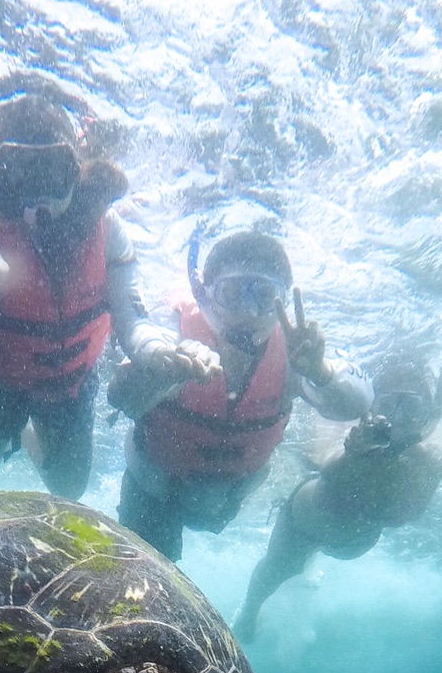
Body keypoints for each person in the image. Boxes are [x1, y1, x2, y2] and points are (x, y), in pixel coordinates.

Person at [0, 85, 207, 515]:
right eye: (22, 172)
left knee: (71, 486)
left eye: (53, 171)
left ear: (78, 171)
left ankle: (25, 435)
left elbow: (132, 319)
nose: (39, 194)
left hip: (67, 387)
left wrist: (157, 350)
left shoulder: (108, 230)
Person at [108, 230, 370, 560]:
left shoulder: (295, 357)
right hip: (151, 492)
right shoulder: (173, 335)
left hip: (221, 502)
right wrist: (166, 371)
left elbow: (358, 402)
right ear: (204, 295)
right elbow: (121, 397)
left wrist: (320, 372)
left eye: (263, 295)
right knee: (144, 574)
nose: (248, 312)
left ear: (283, 303)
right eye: (232, 293)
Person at [235, 356, 442, 638]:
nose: (396, 418)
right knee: (278, 568)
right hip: (304, 524)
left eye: (411, 407)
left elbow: (405, 515)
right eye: (387, 405)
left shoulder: (429, 459)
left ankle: (307, 569)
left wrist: (395, 464)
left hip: (353, 541)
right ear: (371, 407)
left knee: (294, 565)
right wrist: (356, 452)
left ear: (428, 415)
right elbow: (330, 471)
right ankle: (249, 613)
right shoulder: (353, 433)